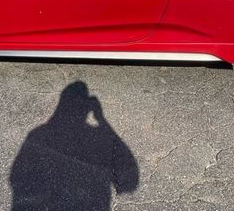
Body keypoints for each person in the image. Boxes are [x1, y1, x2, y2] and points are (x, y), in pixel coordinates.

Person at [9, 81, 139, 210]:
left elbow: (16, 176)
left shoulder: (38, 133)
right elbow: (130, 182)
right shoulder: (98, 136)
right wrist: (101, 119)